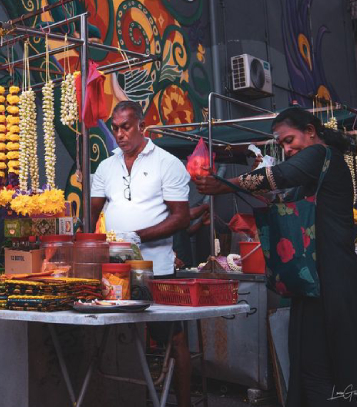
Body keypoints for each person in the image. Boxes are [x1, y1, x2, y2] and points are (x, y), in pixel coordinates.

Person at [193, 107, 357, 406]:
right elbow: (284, 194)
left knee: (323, 365)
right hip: (313, 279)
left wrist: (227, 183)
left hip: (331, 277)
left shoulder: (321, 155)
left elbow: (280, 175)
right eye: (281, 144)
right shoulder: (312, 173)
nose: (287, 148)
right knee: (308, 362)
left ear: (310, 130)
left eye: (289, 139)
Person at [91, 100, 192, 407]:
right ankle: (137, 396)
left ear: (141, 127)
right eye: (115, 128)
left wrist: (137, 235)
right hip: (116, 269)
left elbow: (181, 217)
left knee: (173, 337)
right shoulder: (106, 167)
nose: (120, 134)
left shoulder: (167, 163)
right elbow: (89, 213)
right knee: (120, 336)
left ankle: (184, 402)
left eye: (126, 127)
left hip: (157, 266)